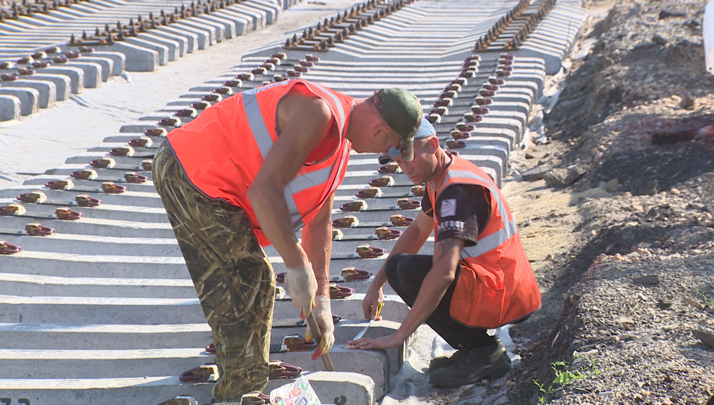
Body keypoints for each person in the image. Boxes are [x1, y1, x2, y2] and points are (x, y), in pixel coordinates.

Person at [152, 78, 422, 402]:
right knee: (251, 282)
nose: (386, 153)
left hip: (211, 185)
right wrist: (296, 266)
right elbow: (264, 190)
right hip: (191, 172)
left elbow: (319, 220)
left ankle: (237, 386)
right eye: (392, 146)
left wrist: (320, 299)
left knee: (246, 282)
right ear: (382, 131)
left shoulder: (339, 145)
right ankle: (238, 393)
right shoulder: (318, 112)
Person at [347, 119, 541, 387]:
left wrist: (399, 335)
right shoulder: (440, 177)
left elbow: (445, 273)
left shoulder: (459, 191)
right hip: (495, 283)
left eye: (410, 157)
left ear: (434, 145)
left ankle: (483, 353)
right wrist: (376, 285)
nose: (405, 168)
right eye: (398, 162)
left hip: (502, 294)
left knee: (411, 272)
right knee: (396, 268)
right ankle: (473, 347)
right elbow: (417, 232)